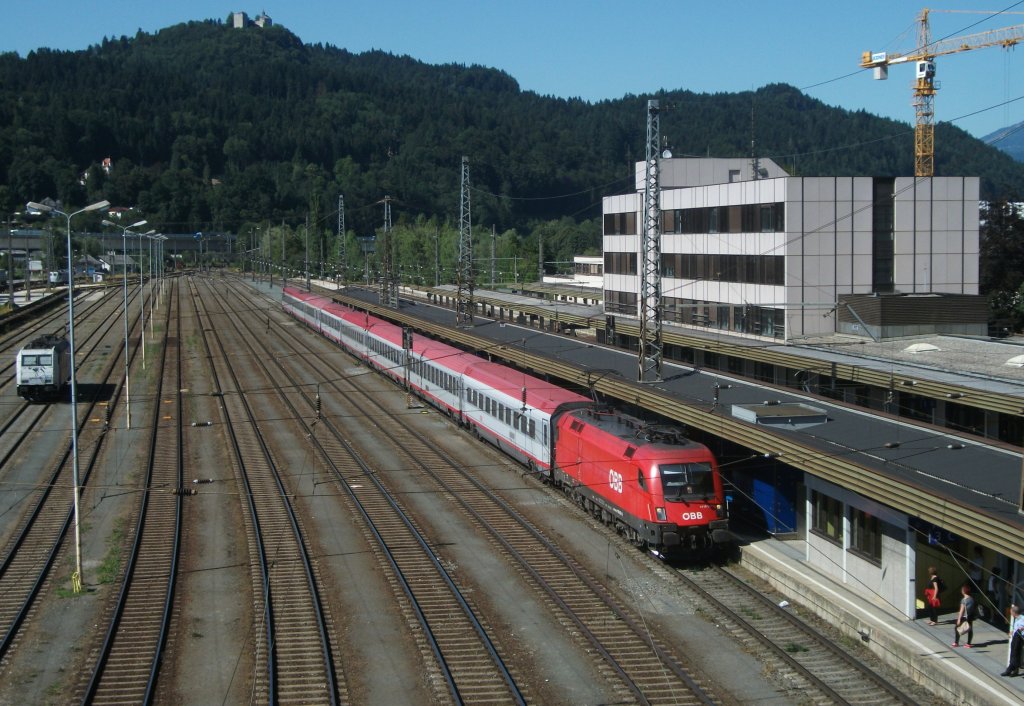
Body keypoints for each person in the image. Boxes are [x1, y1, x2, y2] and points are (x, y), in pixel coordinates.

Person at [953, 583, 978, 648]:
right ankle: (968, 643)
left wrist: (958, 619)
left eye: (962, 590)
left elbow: (961, 611)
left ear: (964, 591)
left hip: (964, 617)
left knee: (957, 628)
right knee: (970, 629)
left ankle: (956, 642)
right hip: (970, 616)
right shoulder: (972, 599)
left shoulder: (964, 600)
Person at [1002, 605, 1024, 677]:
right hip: (1016, 637)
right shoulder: (1017, 619)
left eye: (1011, 612)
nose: (1010, 613)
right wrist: (1012, 632)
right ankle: (1014, 670)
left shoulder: (1021, 619)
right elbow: (1016, 628)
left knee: (1015, 653)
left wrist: (1021, 629)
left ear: (1014, 612)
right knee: (1014, 653)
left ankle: (1010, 669)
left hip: (1019, 639)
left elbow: (1021, 628)